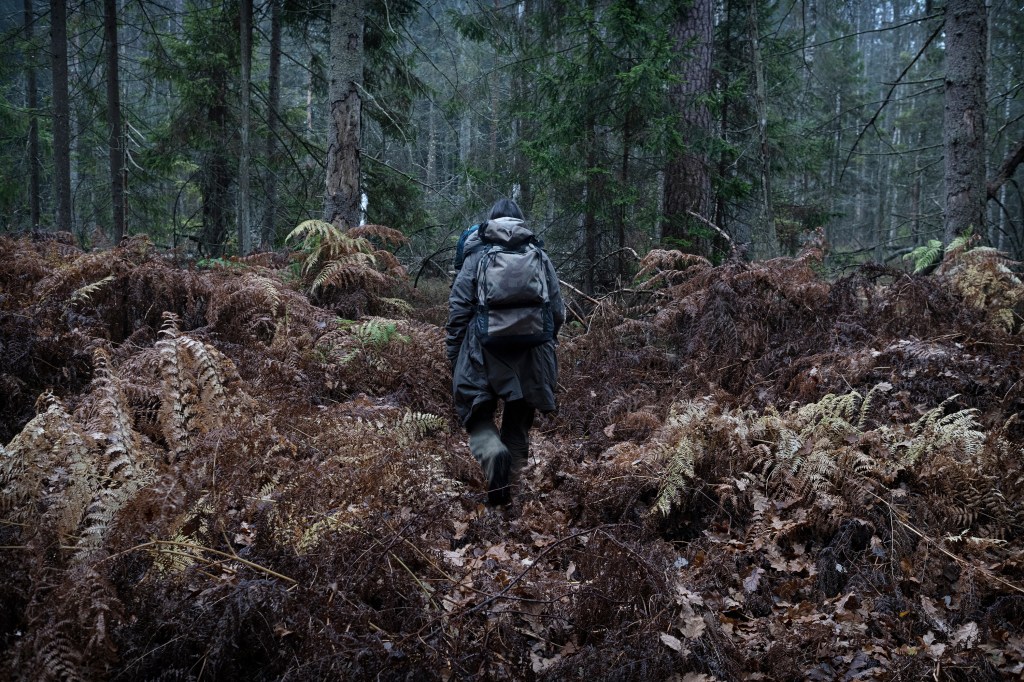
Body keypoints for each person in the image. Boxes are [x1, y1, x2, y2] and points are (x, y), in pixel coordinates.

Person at [446, 199, 565, 505]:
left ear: (491, 222)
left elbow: (459, 308)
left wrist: (454, 354)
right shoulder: (538, 254)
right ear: (520, 222)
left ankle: (493, 457)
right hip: (533, 351)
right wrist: (543, 341)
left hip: (482, 350)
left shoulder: (477, 254)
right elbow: (558, 310)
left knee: (477, 415)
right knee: (518, 424)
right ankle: (508, 502)